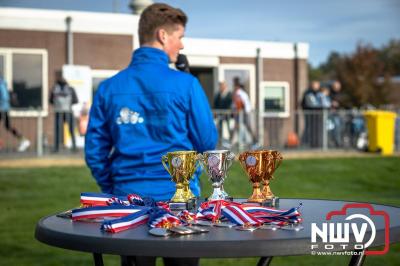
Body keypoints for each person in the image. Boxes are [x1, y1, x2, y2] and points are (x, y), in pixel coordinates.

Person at [85, 3, 217, 265]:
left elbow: (95, 152)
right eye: (180, 37)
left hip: (129, 203)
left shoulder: (109, 88)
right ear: (163, 36)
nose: (182, 46)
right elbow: (207, 142)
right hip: (181, 203)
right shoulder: (186, 84)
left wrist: (115, 189)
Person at [50, 72, 78, 152]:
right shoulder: (70, 88)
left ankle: (56, 148)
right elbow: (75, 100)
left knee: (57, 130)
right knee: (71, 129)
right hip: (68, 111)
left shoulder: (54, 89)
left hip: (58, 111)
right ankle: (74, 146)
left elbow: (51, 100)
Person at [0, 76, 30, 152]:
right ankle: (23, 140)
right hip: (4, 108)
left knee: (8, 126)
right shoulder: (2, 82)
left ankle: (24, 140)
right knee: (8, 126)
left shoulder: (1, 83)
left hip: (2, 108)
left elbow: (5, 97)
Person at [229, 77, 258, 148]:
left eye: (235, 86)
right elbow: (234, 104)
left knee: (248, 127)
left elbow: (245, 104)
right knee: (235, 127)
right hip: (238, 114)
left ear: (237, 86)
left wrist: (244, 111)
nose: (234, 87)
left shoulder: (241, 94)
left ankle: (255, 142)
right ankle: (231, 142)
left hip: (243, 113)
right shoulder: (235, 94)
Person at [301, 80, 323, 147]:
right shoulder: (307, 93)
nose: (316, 86)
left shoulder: (320, 93)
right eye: (314, 85)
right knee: (310, 129)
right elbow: (304, 103)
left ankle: (317, 143)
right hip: (310, 114)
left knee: (317, 129)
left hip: (318, 115)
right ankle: (306, 143)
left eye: (317, 85)